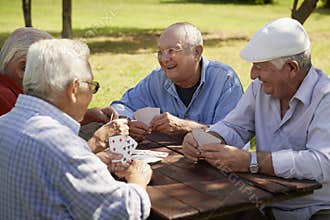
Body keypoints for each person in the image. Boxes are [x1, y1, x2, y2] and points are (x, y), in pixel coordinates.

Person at [182, 17, 330, 220]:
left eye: (260, 67)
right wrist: (208, 138)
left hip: (318, 209)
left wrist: (252, 161)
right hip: (266, 202)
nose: (252, 75)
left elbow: (322, 162)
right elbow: (234, 126)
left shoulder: (325, 97)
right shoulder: (259, 89)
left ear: (292, 68)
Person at [0, 39, 152, 219]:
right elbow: (124, 211)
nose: (90, 95)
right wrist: (138, 179)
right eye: (91, 86)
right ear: (74, 89)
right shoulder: (63, 145)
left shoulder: (5, 122)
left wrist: (92, 161)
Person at [111, 22, 243, 141]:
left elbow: (233, 134)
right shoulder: (157, 79)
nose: (164, 59)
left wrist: (186, 127)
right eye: (160, 52)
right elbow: (121, 106)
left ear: (197, 52)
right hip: (171, 162)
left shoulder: (225, 80)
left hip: (217, 165)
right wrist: (128, 123)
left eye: (171, 51)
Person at [0, 27, 118, 125]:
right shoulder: (4, 99)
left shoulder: (15, 93)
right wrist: (97, 143)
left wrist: (87, 115)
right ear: (23, 68)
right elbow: (39, 133)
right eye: (51, 69)